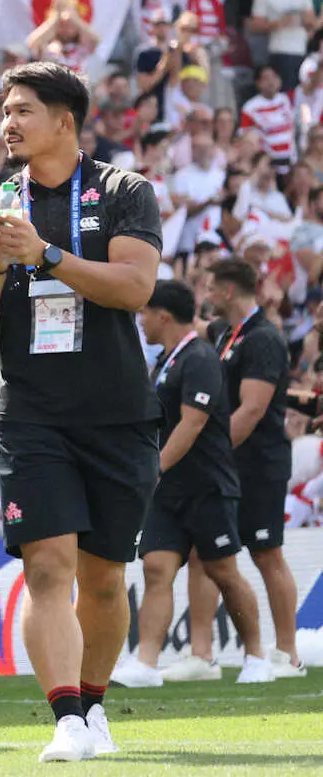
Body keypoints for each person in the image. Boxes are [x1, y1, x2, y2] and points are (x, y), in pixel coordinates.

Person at [0, 61, 163, 762]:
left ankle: (94, 705)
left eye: (23, 110)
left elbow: (134, 287)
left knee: (103, 579)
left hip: (118, 413)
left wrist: (48, 254)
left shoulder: (124, 191)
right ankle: (66, 715)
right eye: (5, 111)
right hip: (31, 415)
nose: (8, 122)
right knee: (45, 566)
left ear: (65, 119)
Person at [111, 280, 273, 688]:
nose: (140, 320)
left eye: (144, 312)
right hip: (168, 490)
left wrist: (155, 467)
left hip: (207, 485)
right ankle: (146, 664)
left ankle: (257, 655)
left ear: (163, 315)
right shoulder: (165, 359)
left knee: (223, 571)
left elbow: (194, 423)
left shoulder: (199, 357)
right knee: (155, 568)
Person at [179, 258, 305, 679]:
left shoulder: (264, 339)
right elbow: (189, 329)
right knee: (202, 553)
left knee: (266, 552)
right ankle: (201, 655)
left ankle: (286, 653)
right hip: (223, 465)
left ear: (228, 292)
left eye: (210, 287)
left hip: (259, 463)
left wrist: (210, 453)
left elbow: (252, 410)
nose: (206, 295)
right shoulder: (223, 334)